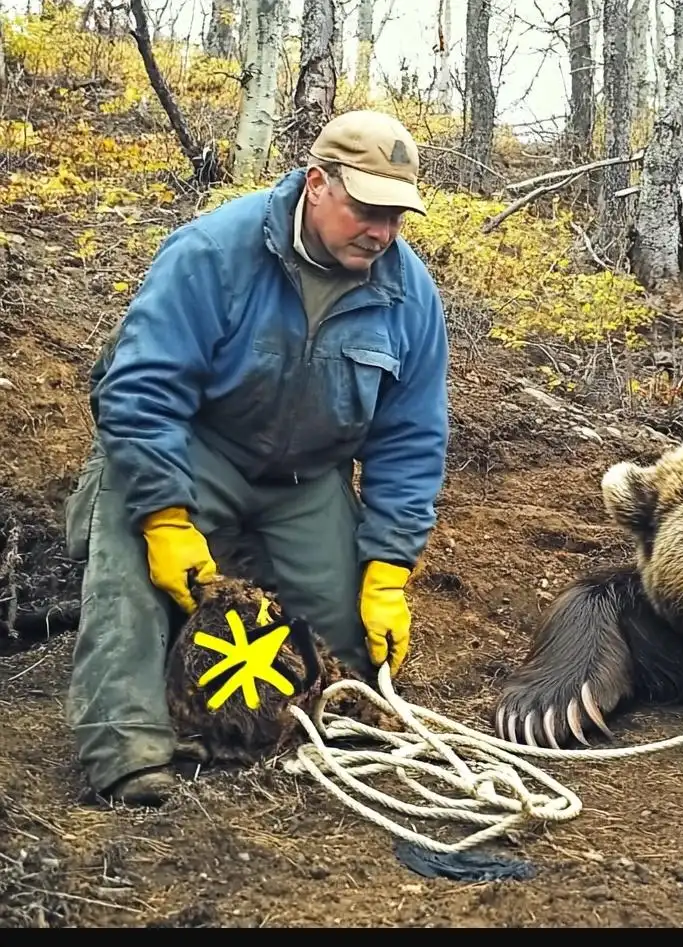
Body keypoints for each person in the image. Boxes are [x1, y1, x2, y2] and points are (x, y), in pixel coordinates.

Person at [63, 110, 448, 806]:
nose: (382, 232)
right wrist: (164, 515)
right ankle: (126, 748)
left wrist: (390, 567)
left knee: (351, 655)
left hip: (306, 481)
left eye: (397, 216)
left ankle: (318, 724)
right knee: (130, 563)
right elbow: (140, 388)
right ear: (317, 183)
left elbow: (412, 437)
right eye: (367, 209)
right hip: (195, 447)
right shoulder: (213, 252)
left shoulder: (411, 296)